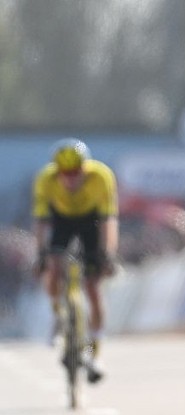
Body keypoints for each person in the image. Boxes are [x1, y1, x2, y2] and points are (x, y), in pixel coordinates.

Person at [33, 138, 119, 382]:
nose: (70, 179)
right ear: (57, 172)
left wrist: (108, 254)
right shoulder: (45, 180)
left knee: (93, 287)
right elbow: (41, 221)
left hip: (91, 221)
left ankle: (94, 353)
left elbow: (108, 220)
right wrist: (41, 254)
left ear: (85, 168)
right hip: (61, 220)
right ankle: (58, 314)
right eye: (65, 174)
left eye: (75, 173)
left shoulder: (102, 177)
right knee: (53, 266)